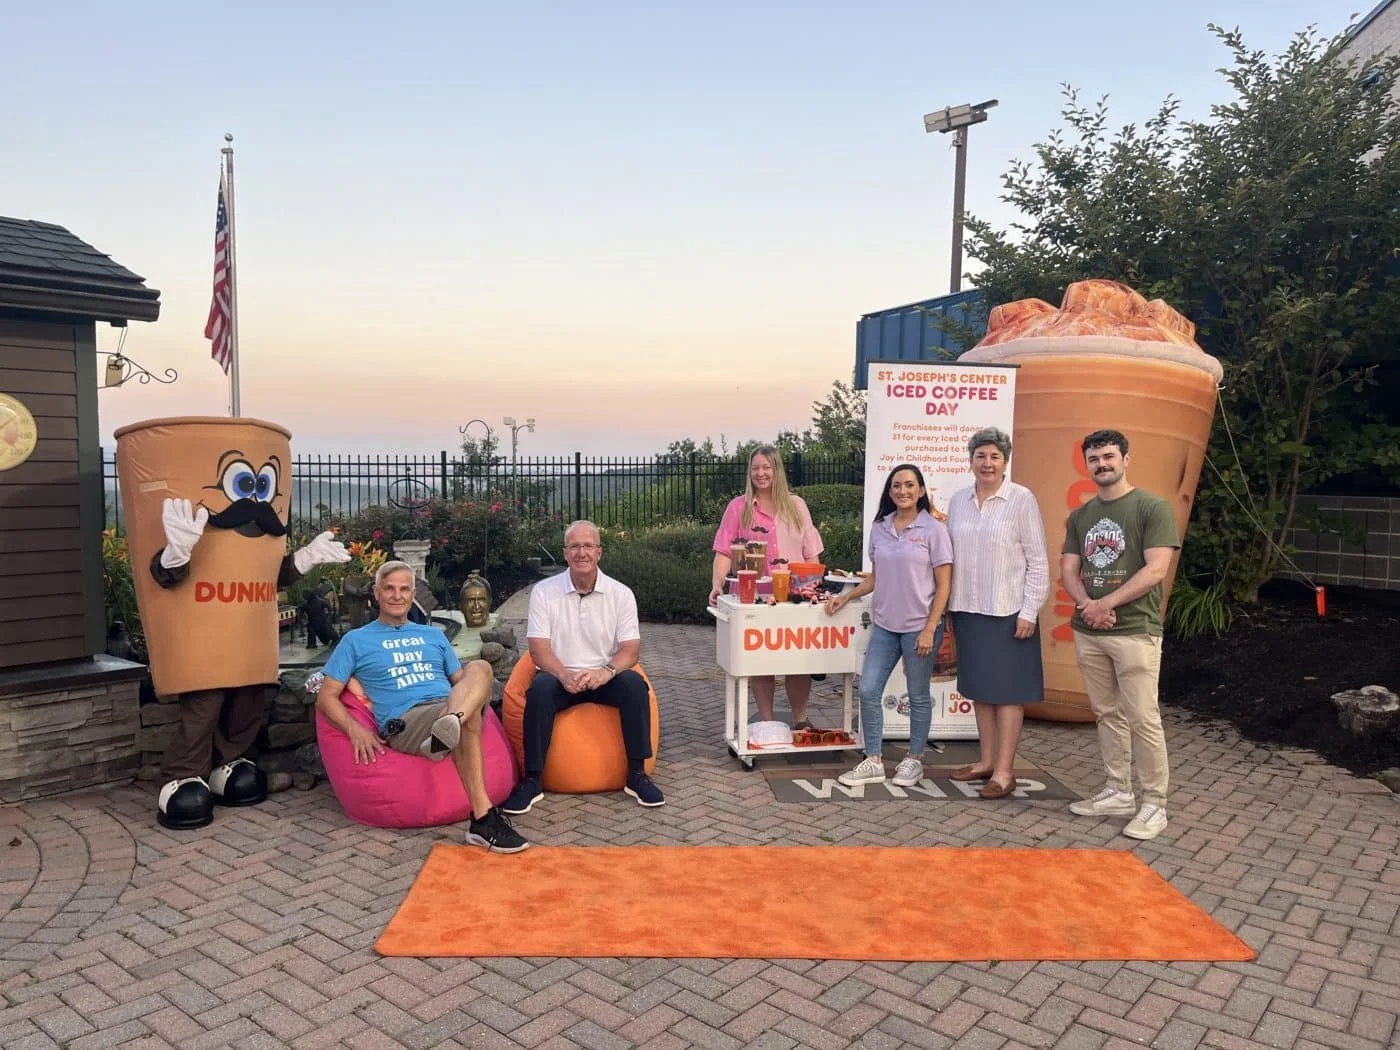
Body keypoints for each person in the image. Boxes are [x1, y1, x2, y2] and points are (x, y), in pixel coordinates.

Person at [315, 561, 529, 853]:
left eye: (404, 589)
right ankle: (483, 819)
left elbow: (462, 681)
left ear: (413, 594)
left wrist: (466, 698)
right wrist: (354, 729)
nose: (397, 595)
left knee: (480, 667)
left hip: (449, 706)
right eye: (389, 589)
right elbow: (326, 696)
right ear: (376, 593)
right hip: (409, 719)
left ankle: (449, 726)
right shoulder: (355, 641)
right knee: (467, 720)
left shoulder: (434, 636)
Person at [1060, 429, 1180, 841]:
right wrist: (1087, 606)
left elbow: (1156, 569)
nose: (1102, 464)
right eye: (1094, 459)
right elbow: (1069, 569)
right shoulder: (1081, 516)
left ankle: (1155, 804)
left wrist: (1104, 604)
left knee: (1143, 718)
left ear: (1126, 459)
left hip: (1135, 630)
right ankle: (1118, 791)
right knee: (1106, 713)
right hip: (1090, 630)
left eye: (1109, 456)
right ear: (1086, 464)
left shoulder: (1152, 507)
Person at [502, 520, 664, 814]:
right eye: (574, 546)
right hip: (561, 676)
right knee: (539, 690)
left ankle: (637, 774)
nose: (581, 553)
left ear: (599, 552)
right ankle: (533, 780)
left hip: (603, 676)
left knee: (634, 686)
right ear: (565, 553)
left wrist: (605, 673)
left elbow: (631, 650)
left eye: (588, 546)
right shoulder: (543, 592)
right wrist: (563, 674)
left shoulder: (621, 594)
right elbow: (538, 649)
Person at [826, 464, 953, 787]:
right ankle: (873, 760)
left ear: (921, 491)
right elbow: (876, 577)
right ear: (890, 491)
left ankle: (914, 760)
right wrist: (846, 597)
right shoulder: (880, 528)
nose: (903, 491)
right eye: (896, 485)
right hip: (885, 626)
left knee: (918, 695)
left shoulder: (934, 529)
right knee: (869, 690)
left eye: (910, 485)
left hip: (920, 627)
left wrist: (930, 628)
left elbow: (944, 585)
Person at [944, 427, 1049, 799]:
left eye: (994, 456)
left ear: (1005, 461)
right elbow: (950, 558)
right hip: (968, 610)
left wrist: (1029, 611)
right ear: (970, 460)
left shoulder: (1021, 499)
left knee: (1007, 693)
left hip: (1009, 613)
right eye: (980, 456)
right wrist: (948, 606)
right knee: (980, 691)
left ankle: (1005, 772)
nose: (987, 463)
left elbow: (1038, 561)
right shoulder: (958, 501)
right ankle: (986, 761)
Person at [708, 444, 824, 727]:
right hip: (754, 599)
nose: (760, 473)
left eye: (766, 467)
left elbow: (811, 554)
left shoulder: (797, 506)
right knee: (760, 661)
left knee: (799, 662)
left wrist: (814, 587)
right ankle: (768, 722)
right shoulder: (738, 508)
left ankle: (800, 720)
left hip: (794, 597)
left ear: (777, 470)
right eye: (755, 468)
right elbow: (724, 551)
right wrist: (717, 585)